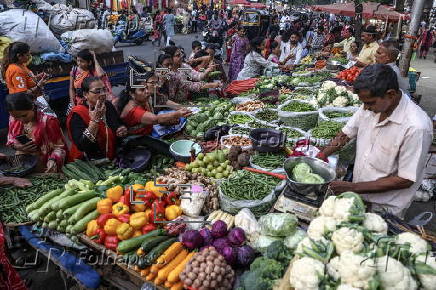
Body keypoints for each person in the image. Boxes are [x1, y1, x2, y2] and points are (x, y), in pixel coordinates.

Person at [317, 64, 432, 218]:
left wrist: (354, 187)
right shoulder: (371, 106)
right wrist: (320, 157)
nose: (365, 108)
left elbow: (405, 179)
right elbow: (345, 135)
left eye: (369, 103)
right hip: (359, 194)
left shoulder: (416, 127)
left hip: (385, 207)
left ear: (390, 94)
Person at [117, 68, 191, 143]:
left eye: (146, 88)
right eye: (142, 90)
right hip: (139, 141)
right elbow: (155, 119)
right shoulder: (134, 111)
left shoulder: (143, 100)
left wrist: (168, 119)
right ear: (132, 94)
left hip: (148, 132)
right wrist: (177, 114)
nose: (147, 91)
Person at [67, 77, 127, 161]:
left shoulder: (108, 105)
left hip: (110, 158)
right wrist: (94, 121)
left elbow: (118, 123)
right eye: (97, 91)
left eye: (104, 89)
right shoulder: (78, 114)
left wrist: (121, 129)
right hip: (89, 163)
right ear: (85, 94)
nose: (102, 94)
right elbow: (81, 145)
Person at [6, 92, 66, 173]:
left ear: (32, 107)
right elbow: (11, 139)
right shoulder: (13, 118)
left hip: (45, 164)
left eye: (24, 115)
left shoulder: (48, 121)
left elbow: (59, 147)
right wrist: (17, 146)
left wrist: (53, 160)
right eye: (16, 117)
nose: (21, 120)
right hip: (24, 163)